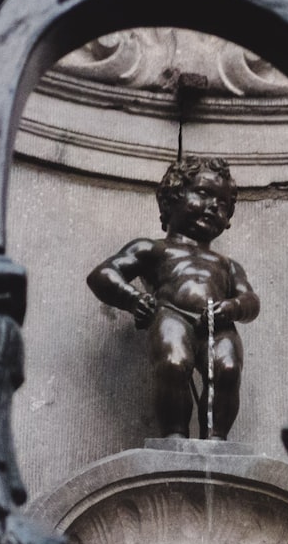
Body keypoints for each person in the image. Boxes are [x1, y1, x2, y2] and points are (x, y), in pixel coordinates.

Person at [87, 156, 259, 439]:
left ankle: (216, 439)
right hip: (171, 313)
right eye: (203, 193)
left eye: (224, 204)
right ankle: (175, 436)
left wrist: (233, 307)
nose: (214, 206)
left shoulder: (227, 265)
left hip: (219, 321)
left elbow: (251, 301)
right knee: (173, 363)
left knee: (227, 369)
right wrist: (133, 299)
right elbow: (103, 275)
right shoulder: (154, 249)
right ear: (171, 198)